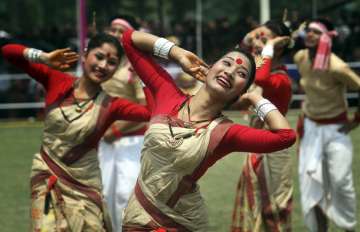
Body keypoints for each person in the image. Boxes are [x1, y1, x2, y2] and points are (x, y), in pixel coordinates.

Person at [119, 29, 297, 231]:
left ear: (241, 91)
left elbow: (285, 136)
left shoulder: (226, 133)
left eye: (241, 74)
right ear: (210, 68)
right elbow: (128, 39)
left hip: (180, 222)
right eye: (226, 63)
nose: (230, 72)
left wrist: (256, 98)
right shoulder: (166, 93)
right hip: (137, 217)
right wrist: (178, 54)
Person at [1, 33, 151, 231]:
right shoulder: (56, 81)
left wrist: (142, 73)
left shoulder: (110, 105)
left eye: (112, 62)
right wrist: (43, 57)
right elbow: (8, 52)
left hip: (85, 189)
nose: (103, 65)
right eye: (99, 56)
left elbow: (151, 112)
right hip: (47, 183)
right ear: (85, 55)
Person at [294, 18, 360, 232]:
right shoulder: (300, 57)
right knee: (311, 182)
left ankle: (348, 227)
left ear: (326, 37)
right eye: (308, 31)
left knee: (341, 183)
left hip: (336, 129)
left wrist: (355, 121)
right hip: (310, 127)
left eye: (316, 31)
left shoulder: (337, 66)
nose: (310, 34)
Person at [231, 20, 294, 232]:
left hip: (274, 150)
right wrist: (251, 38)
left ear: (278, 47)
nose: (257, 43)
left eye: (264, 40)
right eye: (257, 37)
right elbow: (234, 59)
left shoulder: (281, 79)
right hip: (255, 145)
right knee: (253, 206)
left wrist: (267, 47)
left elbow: (261, 77)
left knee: (275, 209)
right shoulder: (260, 68)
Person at [98, 16, 147, 232]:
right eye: (113, 29)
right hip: (103, 140)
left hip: (131, 141)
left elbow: (147, 109)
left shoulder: (136, 66)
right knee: (104, 194)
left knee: (127, 195)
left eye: (121, 30)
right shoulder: (102, 63)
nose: (116, 34)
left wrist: (117, 130)